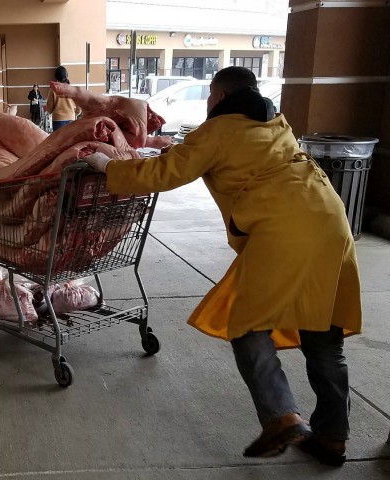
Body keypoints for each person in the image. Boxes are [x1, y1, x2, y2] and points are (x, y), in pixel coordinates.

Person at [83, 66, 360, 467]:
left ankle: (282, 415)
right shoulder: (275, 121)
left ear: (219, 95)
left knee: (248, 324)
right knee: (324, 334)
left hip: (283, 230)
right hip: (330, 220)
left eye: (212, 95)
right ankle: (333, 437)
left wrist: (107, 166)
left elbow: (163, 174)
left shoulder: (218, 129)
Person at [45, 66, 80, 131]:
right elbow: (79, 107)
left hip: (58, 120)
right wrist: (74, 113)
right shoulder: (72, 89)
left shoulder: (53, 90)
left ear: (56, 77)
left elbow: (49, 108)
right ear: (67, 75)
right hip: (71, 119)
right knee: (70, 141)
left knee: (59, 141)